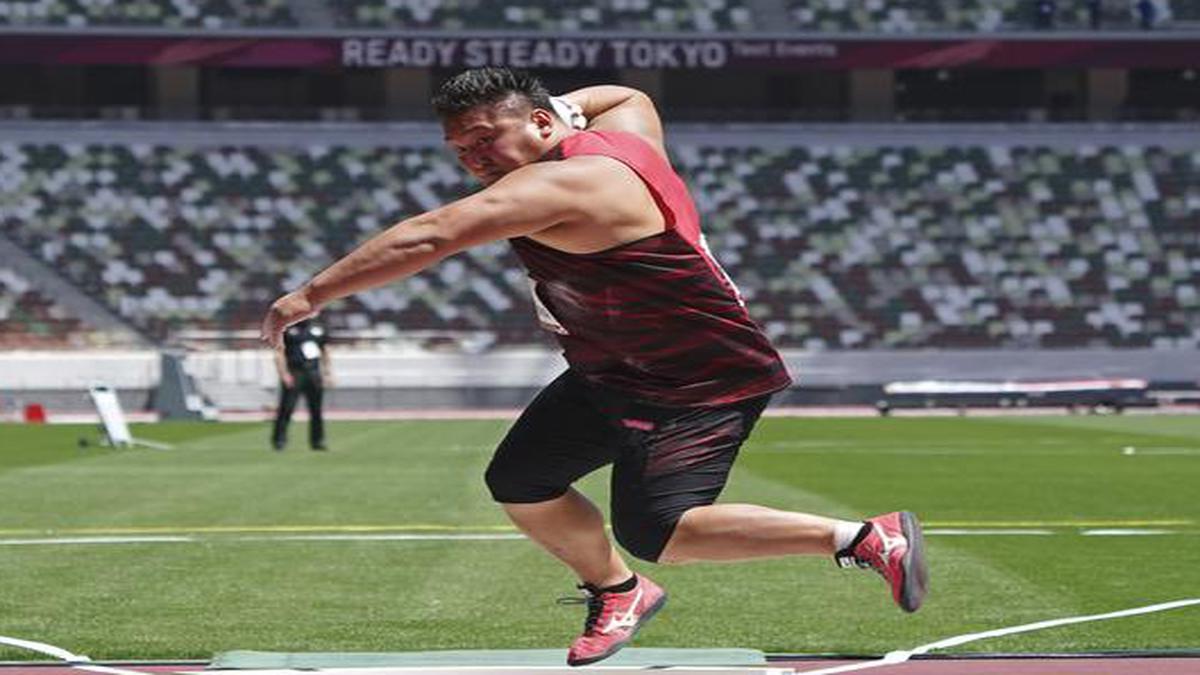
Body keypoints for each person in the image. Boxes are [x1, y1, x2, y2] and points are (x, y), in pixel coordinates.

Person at [261, 67, 928, 666]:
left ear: (542, 124)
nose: (473, 157)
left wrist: (308, 296)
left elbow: (431, 234)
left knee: (657, 529)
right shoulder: (624, 135)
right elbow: (627, 94)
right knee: (522, 479)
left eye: (486, 138)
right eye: (461, 148)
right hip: (615, 367)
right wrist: (542, 112)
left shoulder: (571, 182)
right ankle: (620, 593)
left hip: (697, 379)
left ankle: (866, 537)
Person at [270, 317, 331, 451]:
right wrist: (284, 373)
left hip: (313, 372)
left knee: (316, 409)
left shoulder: (318, 330)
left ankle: (318, 441)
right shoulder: (287, 330)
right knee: (286, 408)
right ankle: (279, 440)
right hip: (295, 372)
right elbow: (279, 352)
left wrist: (327, 373)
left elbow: (325, 351)